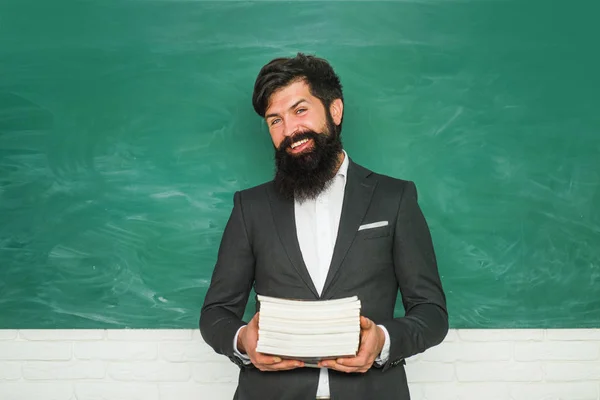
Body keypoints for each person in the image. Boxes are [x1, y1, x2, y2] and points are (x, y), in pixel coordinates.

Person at [200, 53, 448, 400]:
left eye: (300, 111)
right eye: (275, 120)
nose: (289, 131)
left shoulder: (395, 198)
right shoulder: (250, 207)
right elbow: (216, 314)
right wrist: (243, 340)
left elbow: (431, 313)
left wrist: (382, 341)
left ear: (335, 111)